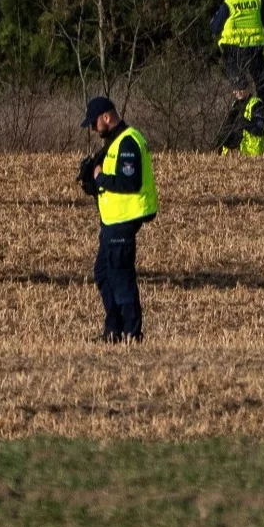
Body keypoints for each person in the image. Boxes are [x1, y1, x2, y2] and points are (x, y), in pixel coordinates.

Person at [77, 96, 157, 342]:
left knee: (121, 277)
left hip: (124, 219)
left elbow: (129, 183)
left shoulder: (128, 141)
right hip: (112, 221)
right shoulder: (113, 143)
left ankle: (131, 332)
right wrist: (91, 183)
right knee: (103, 273)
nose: (93, 128)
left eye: (94, 123)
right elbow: (109, 180)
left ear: (106, 117)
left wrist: (100, 178)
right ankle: (113, 330)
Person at [210, 0, 264, 109]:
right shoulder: (257, 0)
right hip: (254, 49)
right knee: (261, 81)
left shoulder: (229, 3)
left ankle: (242, 110)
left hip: (233, 49)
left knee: (238, 82)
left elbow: (215, 27)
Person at [215, 77, 264, 156]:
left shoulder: (257, 104)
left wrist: (243, 123)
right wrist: (222, 141)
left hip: (254, 155)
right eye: (235, 89)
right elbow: (228, 126)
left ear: (248, 89)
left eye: (241, 89)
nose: (237, 92)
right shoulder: (235, 105)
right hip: (233, 155)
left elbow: (260, 130)